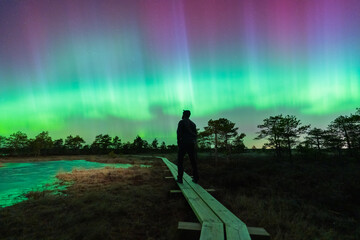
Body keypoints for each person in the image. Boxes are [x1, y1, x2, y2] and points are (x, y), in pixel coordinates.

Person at [176, 110, 199, 184]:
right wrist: (194, 143)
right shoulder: (193, 124)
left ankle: (180, 179)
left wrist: (179, 143)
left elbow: (178, 134)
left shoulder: (181, 122)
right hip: (191, 144)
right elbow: (195, 135)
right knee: (193, 161)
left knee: (180, 161)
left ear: (184, 115)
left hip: (183, 144)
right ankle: (196, 178)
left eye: (182, 114)